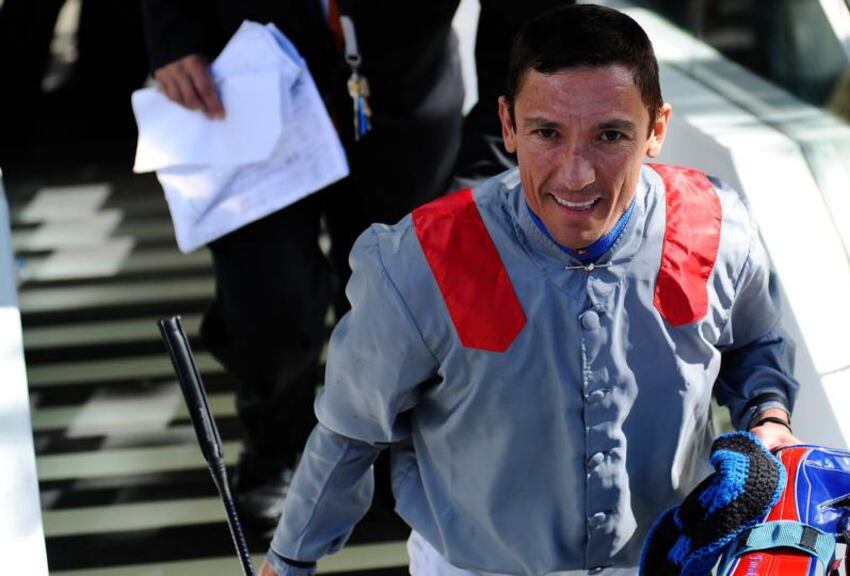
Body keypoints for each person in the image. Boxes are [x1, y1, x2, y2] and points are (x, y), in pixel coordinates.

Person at [260, 5, 802, 575]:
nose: (576, 175)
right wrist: (288, 562)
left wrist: (769, 413)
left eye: (610, 136)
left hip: (670, 559)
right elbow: (351, 429)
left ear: (657, 130)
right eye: (547, 133)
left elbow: (754, 346)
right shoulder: (422, 260)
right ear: (509, 125)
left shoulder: (716, 227)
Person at [139, 0, 569, 529]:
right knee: (267, 300)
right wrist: (174, 35)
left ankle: (395, 457)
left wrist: (491, 158)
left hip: (405, 97)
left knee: (399, 300)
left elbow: (532, 23)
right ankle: (276, 445)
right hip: (242, 92)